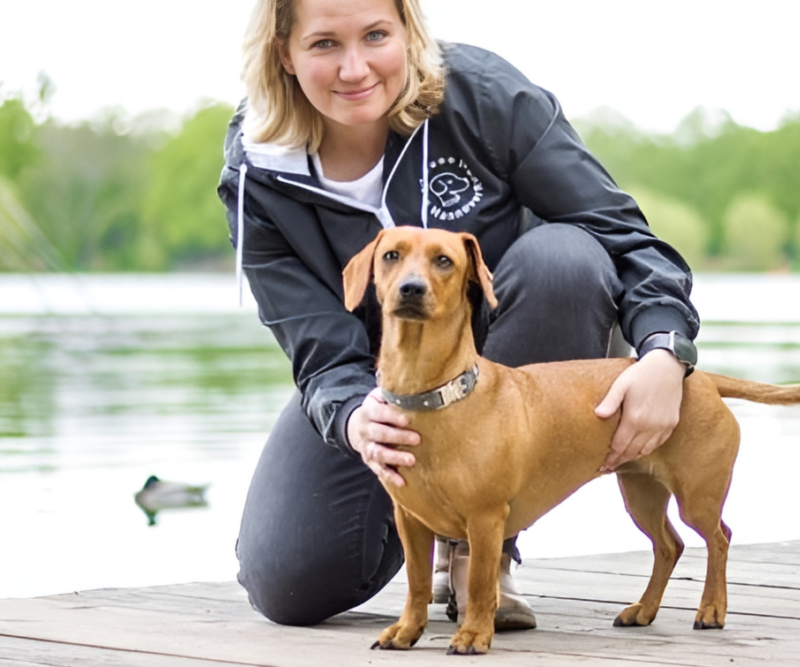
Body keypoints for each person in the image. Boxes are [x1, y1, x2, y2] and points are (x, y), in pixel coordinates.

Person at [218, 0, 700, 629]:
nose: (355, 68)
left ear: (409, 30)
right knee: (289, 585)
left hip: (507, 357)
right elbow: (314, 341)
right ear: (284, 51)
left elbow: (621, 234)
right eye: (325, 44)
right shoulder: (257, 166)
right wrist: (353, 415)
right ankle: (424, 528)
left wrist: (665, 349)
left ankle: (480, 553)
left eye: (376, 35)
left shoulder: (485, 96)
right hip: (374, 383)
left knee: (566, 259)